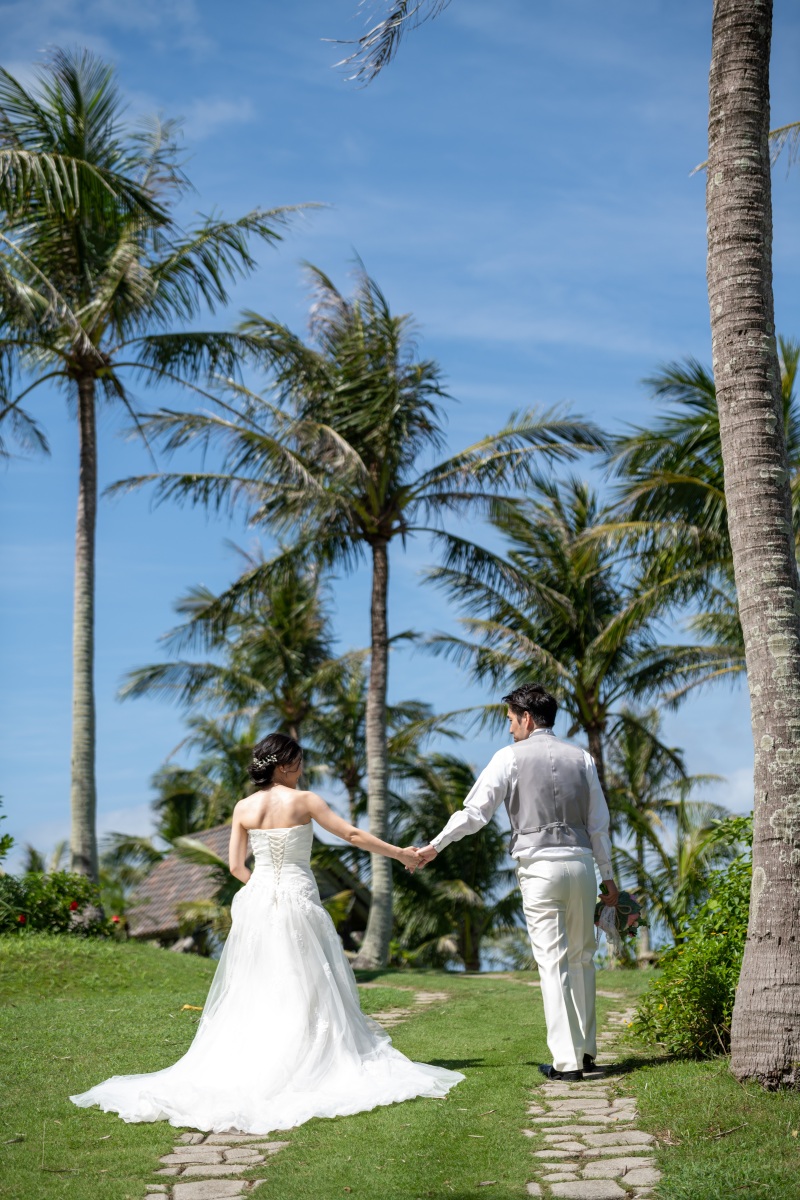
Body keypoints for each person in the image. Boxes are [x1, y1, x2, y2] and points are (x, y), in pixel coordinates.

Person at [71, 733, 463, 1133]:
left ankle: (262, 1059)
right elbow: (351, 835)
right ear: (283, 765)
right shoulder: (305, 801)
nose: (303, 770)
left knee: (259, 982)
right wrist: (400, 854)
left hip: (258, 899)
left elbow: (237, 867)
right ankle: (306, 1060)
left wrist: (261, 889)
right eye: (299, 763)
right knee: (307, 979)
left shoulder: (243, 807)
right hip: (297, 897)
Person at [415, 684, 618, 1082]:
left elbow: (474, 814)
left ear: (526, 717)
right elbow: (599, 825)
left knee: (553, 963)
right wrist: (608, 877)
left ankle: (567, 1063)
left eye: (510, 720)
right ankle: (588, 1051)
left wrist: (435, 846)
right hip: (580, 865)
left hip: (539, 867)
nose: (509, 729)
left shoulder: (507, 758)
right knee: (581, 959)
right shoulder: (583, 758)